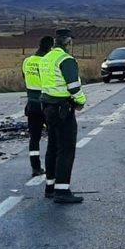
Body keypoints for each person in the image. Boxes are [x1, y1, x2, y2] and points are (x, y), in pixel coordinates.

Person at [40, 29, 87, 204]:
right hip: (63, 108)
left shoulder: (46, 59)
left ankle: (50, 187)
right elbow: (74, 87)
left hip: (47, 107)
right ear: (68, 42)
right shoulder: (66, 60)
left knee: (52, 147)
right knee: (66, 149)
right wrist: (81, 101)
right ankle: (62, 190)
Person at [23, 36, 54, 177]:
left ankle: (35, 168)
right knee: (53, 137)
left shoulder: (27, 61)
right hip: (46, 104)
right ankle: (51, 168)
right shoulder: (47, 62)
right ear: (50, 47)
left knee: (34, 138)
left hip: (31, 104)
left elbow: (25, 78)